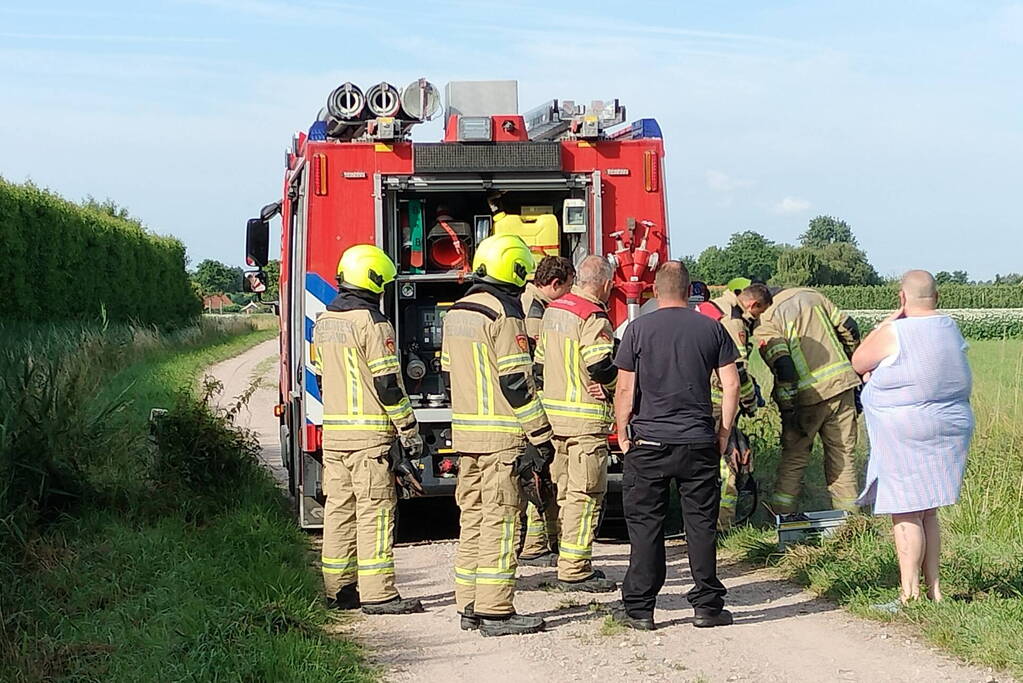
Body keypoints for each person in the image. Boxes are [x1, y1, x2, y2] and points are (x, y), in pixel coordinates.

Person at [612, 261, 741, 631]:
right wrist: (723, 432)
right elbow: (731, 384)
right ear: (689, 292)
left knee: (645, 526)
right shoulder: (712, 328)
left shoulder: (638, 329)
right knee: (700, 525)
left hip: (648, 442)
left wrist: (622, 432)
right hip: (697, 442)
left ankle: (640, 609)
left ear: (655, 291)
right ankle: (707, 607)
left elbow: (625, 387)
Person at [441, 234, 556, 637]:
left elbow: (448, 375)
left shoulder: (457, 311)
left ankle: (469, 604)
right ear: (515, 269)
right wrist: (541, 436)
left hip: (466, 438)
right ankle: (496, 611)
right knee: (502, 522)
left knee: (472, 519)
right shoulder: (505, 315)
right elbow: (517, 383)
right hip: (502, 440)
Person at [311, 244, 424, 615]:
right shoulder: (373, 324)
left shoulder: (324, 321)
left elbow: (321, 378)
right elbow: (388, 384)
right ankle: (379, 595)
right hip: (370, 440)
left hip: (335, 438)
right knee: (375, 512)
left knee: (338, 513)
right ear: (374, 282)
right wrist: (408, 429)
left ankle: (339, 591)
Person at [851, 270, 974, 608]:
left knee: (905, 511)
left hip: (906, 430)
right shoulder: (949, 327)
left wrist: (888, 321)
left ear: (902, 297)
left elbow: (858, 361)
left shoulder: (895, 331)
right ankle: (935, 591)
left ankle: (910, 594)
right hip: (950, 426)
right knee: (928, 510)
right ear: (937, 297)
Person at [536, 256, 618, 592]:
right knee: (585, 496)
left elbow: (539, 365)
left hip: (554, 420)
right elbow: (600, 365)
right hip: (584, 422)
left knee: (564, 493)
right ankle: (575, 569)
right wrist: (618, 387)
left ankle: (563, 559)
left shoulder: (553, 310)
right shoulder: (592, 315)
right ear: (605, 284)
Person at [754, 287, 862, 514]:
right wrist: (854, 366)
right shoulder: (812, 296)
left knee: (795, 457)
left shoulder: (766, 318)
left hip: (806, 397)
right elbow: (850, 328)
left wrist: (788, 410)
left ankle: (783, 517)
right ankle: (850, 520)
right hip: (842, 387)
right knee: (843, 456)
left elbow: (784, 367)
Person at [696, 282, 773, 530]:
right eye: (759, 313)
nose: (757, 320)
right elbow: (737, 370)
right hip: (717, 403)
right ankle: (722, 525)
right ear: (753, 304)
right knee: (727, 462)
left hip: (694, 399)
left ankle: (698, 522)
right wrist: (750, 401)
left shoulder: (712, 307)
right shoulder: (734, 321)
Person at [518, 255, 576, 566]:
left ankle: (543, 543)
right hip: (535, 406)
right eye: (568, 287)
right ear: (555, 284)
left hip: (531, 404)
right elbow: (537, 364)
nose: (570, 293)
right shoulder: (535, 312)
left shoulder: (532, 303)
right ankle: (535, 546)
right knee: (538, 475)